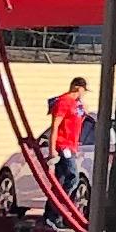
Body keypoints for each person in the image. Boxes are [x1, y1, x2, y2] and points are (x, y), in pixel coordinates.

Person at [46, 75, 91, 207]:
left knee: (60, 181)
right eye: (82, 90)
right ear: (77, 88)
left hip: (71, 145)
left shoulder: (76, 104)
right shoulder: (63, 102)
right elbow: (55, 126)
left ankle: (53, 214)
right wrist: (52, 149)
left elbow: (84, 116)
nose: (82, 94)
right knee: (73, 177)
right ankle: (60, 208)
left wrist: (83, 106)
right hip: (63, 145)